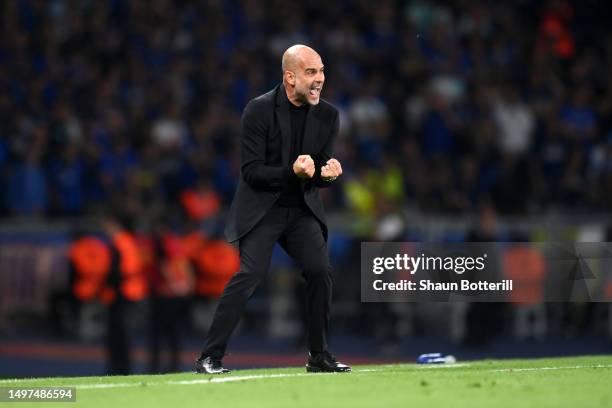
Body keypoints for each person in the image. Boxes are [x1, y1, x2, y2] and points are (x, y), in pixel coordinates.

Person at [195, 44, 350, 374]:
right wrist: (291, 172)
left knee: (320, 271)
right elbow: (251, 171)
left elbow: (317, 169)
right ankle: (210, 356)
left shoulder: (328, 115)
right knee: (249, 275)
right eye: (311, 72)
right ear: (290, 77)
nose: (320, 79)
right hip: (262, 209)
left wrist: (327, 174)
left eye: (322, 71)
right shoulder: (258, 110)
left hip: (301, 210)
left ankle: (318, 355)